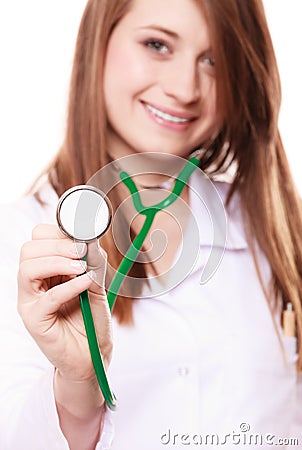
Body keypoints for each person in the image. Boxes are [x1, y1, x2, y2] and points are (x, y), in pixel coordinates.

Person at [0, 0, 301, 449]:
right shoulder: (18, 237)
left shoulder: (278, 233)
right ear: (97, 43)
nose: (185, 88)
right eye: (157, 44)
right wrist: (79, 388)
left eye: (214, 60)